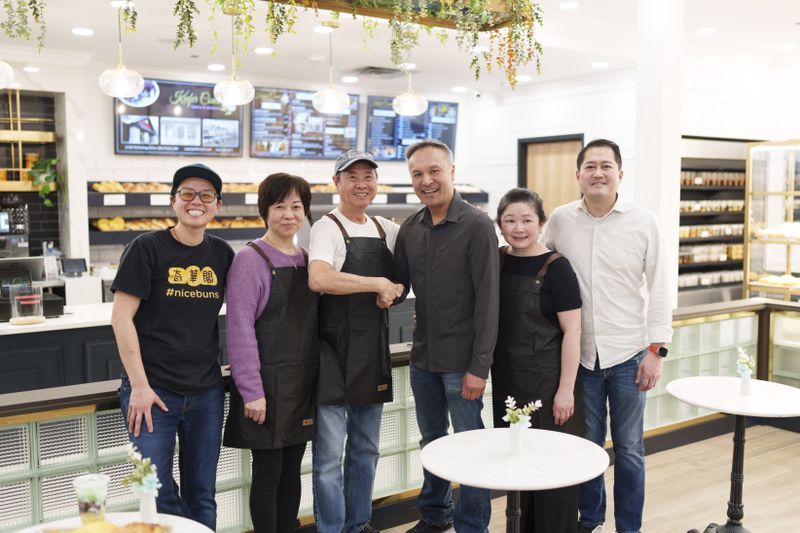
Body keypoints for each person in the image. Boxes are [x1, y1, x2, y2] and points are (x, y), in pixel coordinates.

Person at [542, 139, 672, 533]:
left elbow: (661, 286)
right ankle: (591, 521)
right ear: (578, 174)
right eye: (590, 166)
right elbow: (539, 264)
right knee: (587, 447)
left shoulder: (643, 220)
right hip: (582, 357)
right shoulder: (561, 220)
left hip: (630, 354)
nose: (598, 173)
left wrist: (657, 350)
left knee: (631, 450)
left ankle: (628, 527)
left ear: (620, 173)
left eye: (606, 166)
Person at [111, 163, 234, 530]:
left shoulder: (222, 255)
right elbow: (121, 319)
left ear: (217, 205)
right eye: (187, 194)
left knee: (202, 492)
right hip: (152, 393)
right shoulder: (146, 248)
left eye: (206, 195)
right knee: (155, 491)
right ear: (173, 201)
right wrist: (140, 386)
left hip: (206, 392)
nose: (197, 201)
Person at [394, 139, 499, 533]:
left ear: (452, 172)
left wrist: (480, 367)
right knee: (432, 442)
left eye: (434, 171)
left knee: (470, 446)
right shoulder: (410, 229)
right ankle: (436, 515)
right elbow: (399, 285)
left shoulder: (476, 225)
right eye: (417, 174)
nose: (426, 180)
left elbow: (489, 301)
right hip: (423, 360)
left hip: (463, 363)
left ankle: (473, 526)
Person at [308, 150, 404, 533]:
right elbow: (319, 278)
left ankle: (359, 523)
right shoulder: (326, 227)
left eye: (368, 176)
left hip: (371, 351)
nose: (361, 184)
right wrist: (376, 284)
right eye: (352, 177)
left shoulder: (387, 229)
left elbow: (404, 275)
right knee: (330, 456)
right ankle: (331, 528)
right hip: (332, 353)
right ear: (337, 184)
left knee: (366, 450)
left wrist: (393, 289)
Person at [223, 173, 318, 533]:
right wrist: (252, 391)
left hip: (300, 386)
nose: (289, 214)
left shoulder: (308, 260)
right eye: (280, 206)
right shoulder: (250, 259)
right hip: (265, 389)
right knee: (268, 475)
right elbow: (240, 330)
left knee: (293, 470)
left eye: (296, 206)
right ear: (265, 211)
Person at [491, 187, 583, 533]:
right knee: (517, 469)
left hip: (548, 384)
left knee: (551, 473)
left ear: (541, 223)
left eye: (527, 220)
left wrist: (566, 390)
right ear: (500, 225)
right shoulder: (497, 259)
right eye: (510, 220)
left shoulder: (558, 269)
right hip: (507, 383)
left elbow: (573, 332)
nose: (518, 228)